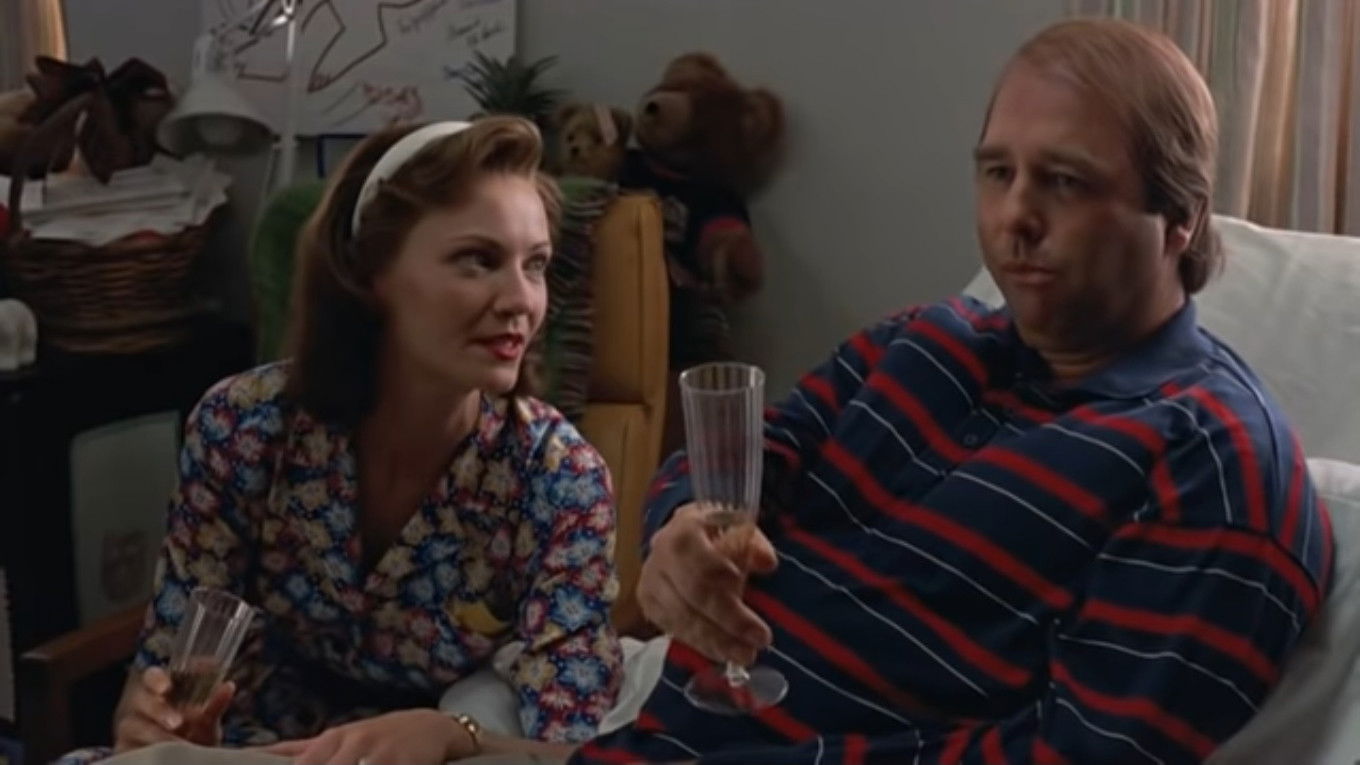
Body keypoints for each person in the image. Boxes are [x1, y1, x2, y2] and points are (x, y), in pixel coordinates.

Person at [571, 18, 1334, 765]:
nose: (1015, 216)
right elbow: (745, 461)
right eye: (998, 173)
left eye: (1065, 182)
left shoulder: (1212, 461)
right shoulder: (922, 340)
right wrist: (679, 526)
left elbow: (1081, 748)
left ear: (1180, 218)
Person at [67, 116, 623, 764]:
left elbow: (576, 748)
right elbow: (162, 676)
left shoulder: (558, 478)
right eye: (478, 260)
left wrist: (454, 735)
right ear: (369, 271)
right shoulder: (243, 427)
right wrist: (158, 725)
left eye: (536, 265)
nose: (521, 300)